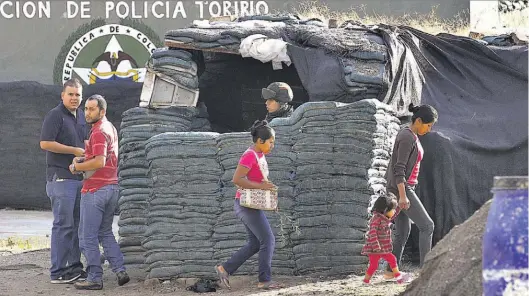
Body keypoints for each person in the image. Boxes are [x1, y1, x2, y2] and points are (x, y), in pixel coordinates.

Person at [68, 95, 130, 290]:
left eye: (92, 109)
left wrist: (77, 168)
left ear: (102, 111)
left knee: (86, 237)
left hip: (95, 190)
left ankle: (94, 277)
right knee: (105, 232)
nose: (87, 112)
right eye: (86, 109)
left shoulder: (98, 132)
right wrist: (83, 159)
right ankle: (120, 270)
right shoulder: (110, 128)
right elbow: (99, 156)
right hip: (112, 187)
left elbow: (99, 161)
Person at [215, 120, 283, 290]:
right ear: (260, 141)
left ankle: (225, 268)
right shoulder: (250, 155)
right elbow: (237, 179)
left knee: (255, 244)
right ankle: (264, 280)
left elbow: (259, 182)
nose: (273, 145)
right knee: (268, 239)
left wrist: (271, 200)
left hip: (250, 205)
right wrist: (262, 187)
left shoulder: (259, 155)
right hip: (245, 205)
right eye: (271, 141)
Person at [40, 78, 87, 284]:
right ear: (62, 95)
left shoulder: (82, 116)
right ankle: (57, 272)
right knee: (63, 225)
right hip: (60, 179)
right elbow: (45, 143)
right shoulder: (55, 115)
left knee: (76, 225)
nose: (74, 98)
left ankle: (74, 267)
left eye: (77, 94)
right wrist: (73, 150)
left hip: (78, 179)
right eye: (71, 94)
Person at [384, 103, 438, 279]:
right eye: (428, 125)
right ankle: (425, 273)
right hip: (402, 188)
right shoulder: (407, 137)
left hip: (403, 188)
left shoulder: (412, 135)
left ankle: (391, 272)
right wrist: (402, 196)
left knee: (402, 232)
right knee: (427, 226)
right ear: (419, 120)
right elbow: (398, 169)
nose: (429, 129)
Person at [362, 193, 411, 284]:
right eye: (392, 209)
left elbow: (394, 215)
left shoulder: (384, 218)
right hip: (375, 249)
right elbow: (372, 233)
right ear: (385, 210)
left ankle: (398, 277)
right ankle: (366, 280)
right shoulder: (376, 219)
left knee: (392, 259)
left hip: (383, 248)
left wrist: (399, 208)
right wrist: (376, 246)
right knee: (373, 266)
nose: (393, 212)